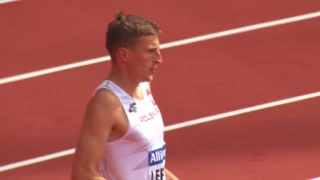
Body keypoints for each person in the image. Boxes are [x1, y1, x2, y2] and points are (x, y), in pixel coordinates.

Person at [71, 11, 180, 180]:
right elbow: (83, 173)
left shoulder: (144, 87)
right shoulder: (106, 103)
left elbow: (150, 168)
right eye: (151, 51)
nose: (159, 59)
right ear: (124, 55)